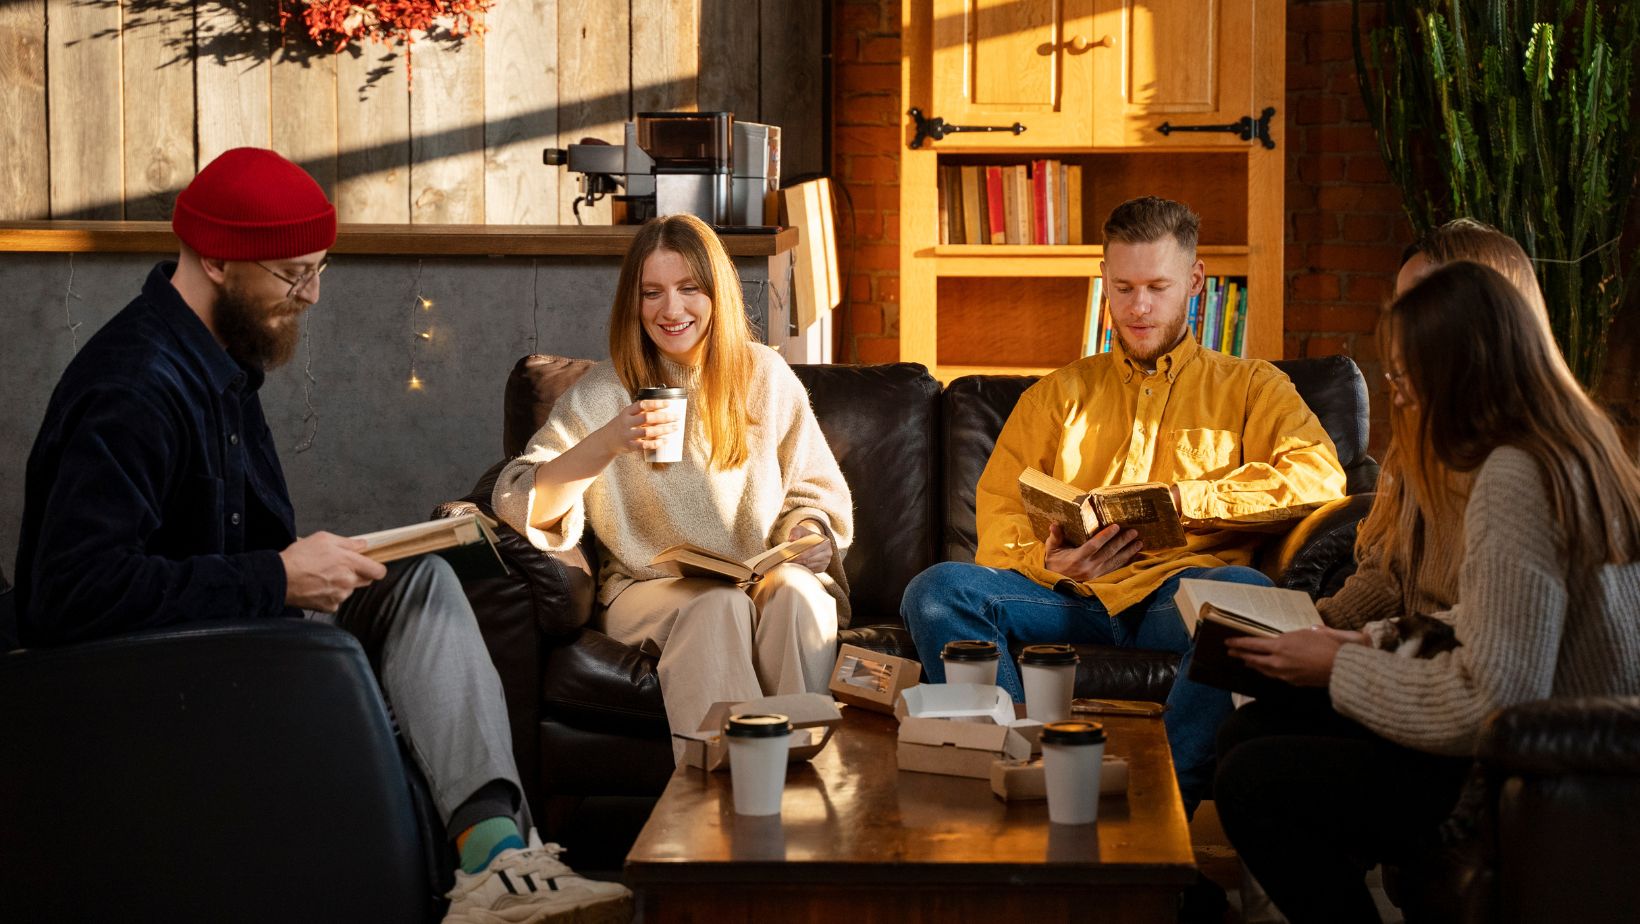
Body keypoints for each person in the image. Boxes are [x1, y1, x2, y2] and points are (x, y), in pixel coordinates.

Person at [12, 148, 630, 924]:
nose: (308, 294)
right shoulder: (133, 387)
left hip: (229, 634)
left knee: (420, 581)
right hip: (155, 675)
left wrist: (320, 565)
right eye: (289, 274)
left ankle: (497, 860)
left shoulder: (220, 365)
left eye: (319, 269)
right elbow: (66, 595)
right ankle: (495, 866)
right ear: (214, 258)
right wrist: (277, 578)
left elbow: (241, 549)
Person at [1213, 261, 1640, 923]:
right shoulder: (1579, 446)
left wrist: (1338, 665)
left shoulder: (1512, 476)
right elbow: (1504, 616)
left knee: (1252, 780)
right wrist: (1370, 638)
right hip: (1568, 752)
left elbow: (1496, 699)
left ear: (1457, 370)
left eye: (1404, 377)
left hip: (1524, 769)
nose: (1401, 396)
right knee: (1252, 728)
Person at [900, 196, 1348, 812]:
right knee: (936, 590)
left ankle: (1160, 803)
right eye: (1123, 287)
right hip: (1067, 600)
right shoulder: (1058, 395)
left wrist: (1186, 501)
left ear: (1194, 282)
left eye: (1158, 287)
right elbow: (1001, 505)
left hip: (1176, 595)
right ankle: (1023, 772)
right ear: (1105, 281)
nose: (1138, 307)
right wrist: (1047, 564)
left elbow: (1319, 477)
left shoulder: (1251, 387)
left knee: (1242, 595)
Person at [491, 213, 852, 753]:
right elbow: (520, 499)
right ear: (633, 304)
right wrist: (609, 440)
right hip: (647, 590)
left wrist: (808, 534)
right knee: (716, 605)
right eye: (652, 292)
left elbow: (811, 491)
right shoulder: (605, 391)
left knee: (799, 596)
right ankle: (723, 796)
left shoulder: (765, 375)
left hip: (758, 578)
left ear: (717, 294)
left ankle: (798, 775)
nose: (671, 310)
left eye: (689, 289)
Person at [1320, 218, 1552, 636]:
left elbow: (1494, 647)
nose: (1402, 329)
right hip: (1412, 654)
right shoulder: (1426, 434)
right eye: (1401, 305)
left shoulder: (1522, 469)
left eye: (1421, 304)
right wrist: (1316, 628)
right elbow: (1388, 572)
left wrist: (1358, 651)